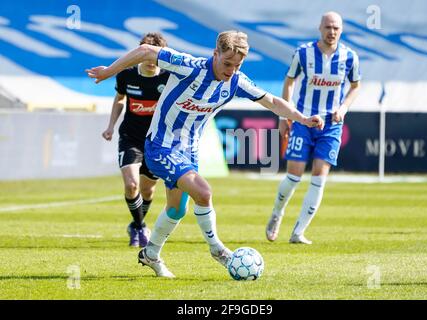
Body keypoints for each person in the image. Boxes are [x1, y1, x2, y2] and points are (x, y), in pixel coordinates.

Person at [86, 30, 324, 278]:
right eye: (227, 63)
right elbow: (147, 51)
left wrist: (303, 119)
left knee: (176, 210)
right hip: (160, 147)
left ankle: (151, 253)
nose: (231, 69)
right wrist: (109, 72)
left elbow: (272, 102)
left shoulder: (236, 81)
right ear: (215, 54)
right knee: (204, 192)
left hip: (188, 151)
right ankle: (217, 249)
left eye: (237, 65)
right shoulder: (190, 67)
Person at [266, 12, 361, 245]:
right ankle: (277, 213)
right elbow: (289, 81)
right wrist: (284, 116)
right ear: (320, 28)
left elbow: (355, 86)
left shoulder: (350, 57)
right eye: (328, 27)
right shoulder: (303, 53)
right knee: (293, 176)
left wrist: (343, 108)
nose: (332, 32)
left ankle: (298, 232)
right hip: (304, 121)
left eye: (336, 28)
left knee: (320, 176)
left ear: (341, 30)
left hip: (331, 124)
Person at [101, 32, 170, 248]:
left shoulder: (168, 78)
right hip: (130, 136)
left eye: (154, 57)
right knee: (132, 185)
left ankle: (136, 224)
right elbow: (120, 99)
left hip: (156, 141)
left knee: (148, 190)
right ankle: (140, 227)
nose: (150, 62)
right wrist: (111, 126)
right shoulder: (126, 75)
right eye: (145, 56)